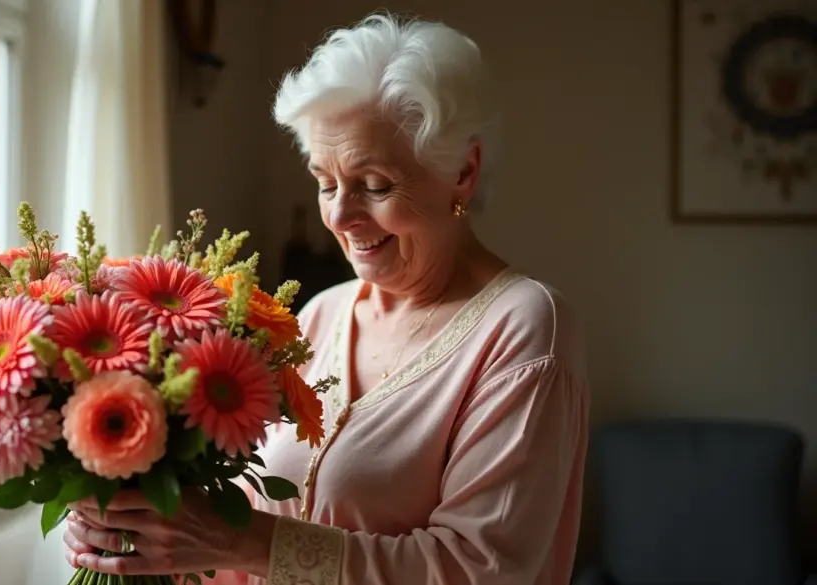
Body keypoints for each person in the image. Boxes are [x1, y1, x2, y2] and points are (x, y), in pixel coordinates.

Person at [63, 12, 590, 585]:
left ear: (463, 172)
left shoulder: (525, 328)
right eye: (325, 182)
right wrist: (137, 532)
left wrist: (239, 540)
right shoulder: (320, 315)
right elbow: (234, 532)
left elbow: (478, 570)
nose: (340, 215)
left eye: (375, 185)